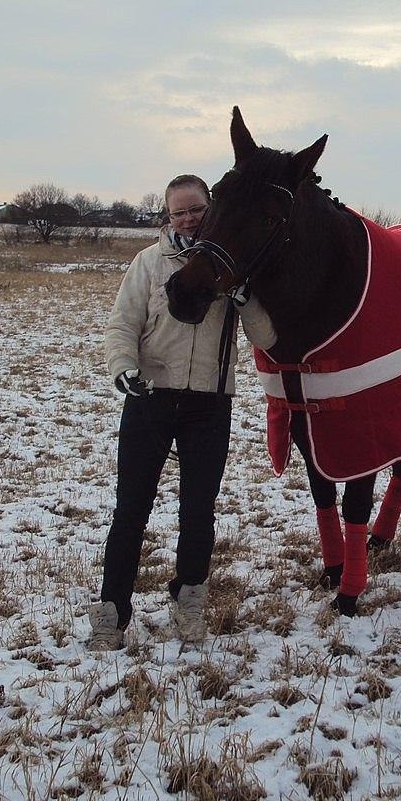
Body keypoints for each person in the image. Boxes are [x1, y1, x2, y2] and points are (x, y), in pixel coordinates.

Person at [88, 174, 276, 650]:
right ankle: (111, 613)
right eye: (179, 212)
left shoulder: (233, 267)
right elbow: (122, 325)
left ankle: (190, 601)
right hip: (150, 399)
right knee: (131, 509)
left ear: (211, 209)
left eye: (196, 209)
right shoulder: (149, 263)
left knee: (198, 511)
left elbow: (266, 338)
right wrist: (123, 368)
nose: (189, 219)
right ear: (168, 217)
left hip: (208, 405)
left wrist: (244, 298)